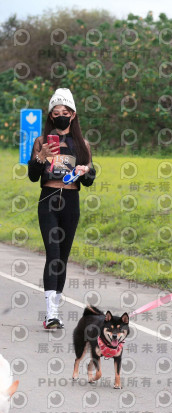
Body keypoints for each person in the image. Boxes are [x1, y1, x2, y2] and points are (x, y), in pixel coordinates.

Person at [27, 88, 96, 329]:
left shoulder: (82, 144)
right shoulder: (41, 142)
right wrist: (41, 156)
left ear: (73, 115)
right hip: (48, 200)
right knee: (53, 254)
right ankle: (51, 314)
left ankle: (54, 310)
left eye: (65, 112)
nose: (61, 116)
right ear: (50, 116)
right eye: (56, 113)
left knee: (63, 258)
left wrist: (84, 171)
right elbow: (33, 176)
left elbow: (89, 179)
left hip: (71, 202)